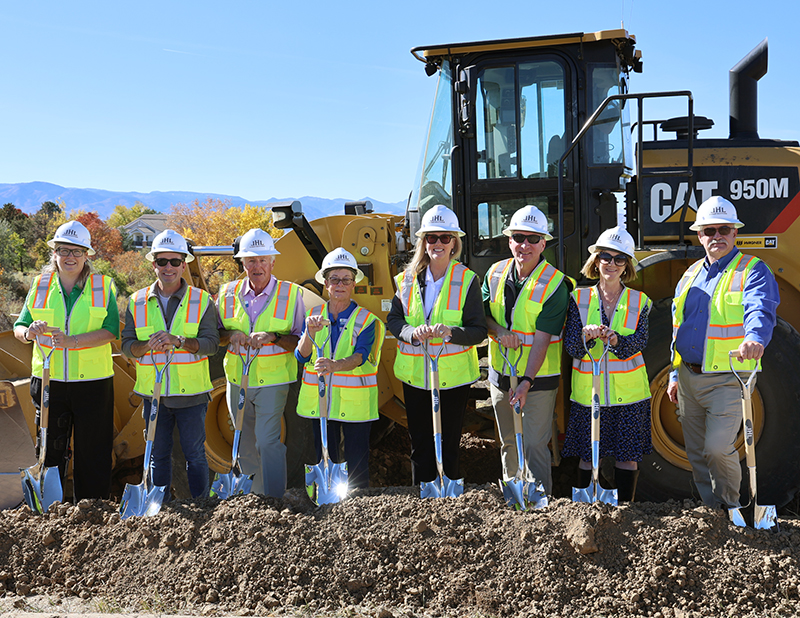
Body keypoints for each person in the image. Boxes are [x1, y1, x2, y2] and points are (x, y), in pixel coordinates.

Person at [666, 196, 779, 509]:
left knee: (717, 447)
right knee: (697, 453)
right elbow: (678, 329)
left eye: (724, 229)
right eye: (709, 230)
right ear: (699, 235)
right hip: (689, 378)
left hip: (729, 380)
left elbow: (760, 309)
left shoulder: (754, 271)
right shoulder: (689, 276)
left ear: (735, 233)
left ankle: (731, 508)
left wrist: (755, 338)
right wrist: (675, 373)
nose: (717, 236)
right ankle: (712, 512)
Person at [13, 220, 118, 500]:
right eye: (63, 250)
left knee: (93, 452)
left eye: (76, 251)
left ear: (87, 255)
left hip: (93, 384)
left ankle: (92, 510)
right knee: (49, 450)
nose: (69, 257)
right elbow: (20, 326)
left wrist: (72, 342)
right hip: (50, 382)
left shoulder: (103, 286)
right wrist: (29, 333)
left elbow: (110, 331)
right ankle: (51, 509)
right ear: (54, 254)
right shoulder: (40, 284)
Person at [387, 205, 487, 486]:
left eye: (445, 237)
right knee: (419, 442)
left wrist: (450, 332)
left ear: (455, 242)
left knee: (449, 440)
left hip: (453, 378)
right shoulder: (406, 280)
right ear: (423, 242)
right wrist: (410, 331)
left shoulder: (467, 280)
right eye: (432, 238)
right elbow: (393, 319)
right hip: (416, 375)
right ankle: (424, 498)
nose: (438, 243)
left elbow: (478, 330)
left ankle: (450, 497)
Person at [121, 229, 219, 499]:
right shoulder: (136, 301)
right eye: (162, 261)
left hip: (191, 395)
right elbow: (127, 346)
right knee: (157, 456)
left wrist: (179, 340)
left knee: (195, 456)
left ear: (184, 265)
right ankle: (159, 510)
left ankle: (201, 507)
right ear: (153, 264)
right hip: (154, 395)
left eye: (175, 262)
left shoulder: (201, 301)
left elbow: (211, 344)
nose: (168, 268)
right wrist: (145, 346)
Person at [483, 205, 570, 496]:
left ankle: (540, 502)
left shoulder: (555, 285)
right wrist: (499, 331)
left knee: (533, 442)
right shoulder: (494, 273)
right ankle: (514, 500)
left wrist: (526, 382)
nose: (525, 245)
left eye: (533, 239)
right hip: (500, 375)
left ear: (544, 243)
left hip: (538, 380)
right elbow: (482, 316)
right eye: (519, 237)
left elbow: (543, 337)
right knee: (508, 440)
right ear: (509, 241)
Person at [561, 226, 652, 501]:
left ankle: (625, 511)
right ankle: (586, 509)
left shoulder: (641, 301)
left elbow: (640, 342)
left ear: (627, 265)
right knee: (588, 457)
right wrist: (586, 338)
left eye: (619, 258)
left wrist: (616, 341)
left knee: (627, 457)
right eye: (605, 257)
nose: (611, 264)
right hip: (590, 395)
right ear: (596, 261)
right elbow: (572, 348)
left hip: (629, 395)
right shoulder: (578, 299)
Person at [217, 228, 304, 498]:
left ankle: (275, 497)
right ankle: (254, 499)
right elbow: (216, 336)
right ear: (242, 263)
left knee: (267, 441)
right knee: (242, 439)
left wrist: (273, 337)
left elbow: (301, 340)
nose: (257, 266)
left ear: (273, 262)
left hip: (273, 380)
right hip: (237, 379)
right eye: (251, 261)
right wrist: (231, 335)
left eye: (262, 260)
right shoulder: (226, 293)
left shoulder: (291, 295)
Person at [295, 248, 385, 489]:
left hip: (355, 405)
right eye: (334, 279)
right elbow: (301, 356)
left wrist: (335, 366)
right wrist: (309, 333)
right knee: (324, 455)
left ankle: (358, 507)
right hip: (321, 402)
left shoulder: (367, 320)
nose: (340, 285)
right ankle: (326, 502)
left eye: (346, 279)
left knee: (357, 462)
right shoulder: (313, 315)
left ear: (354, 284)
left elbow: (361, 357)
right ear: (326, 284)